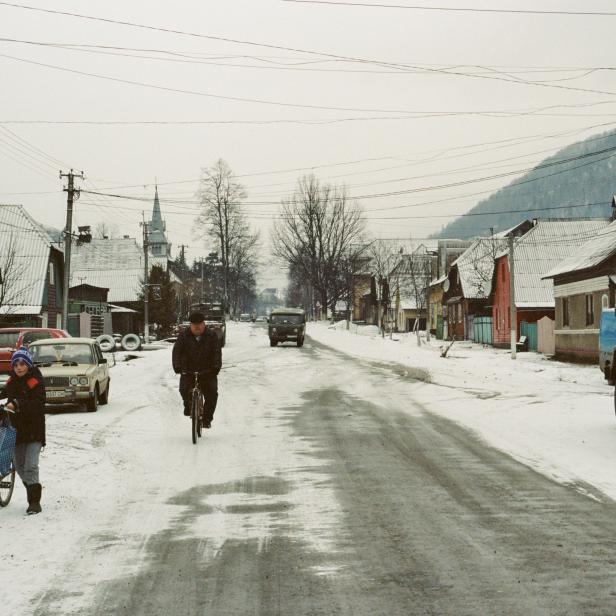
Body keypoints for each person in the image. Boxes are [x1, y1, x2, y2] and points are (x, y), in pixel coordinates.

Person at [3, 346, 45, 514]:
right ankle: (33, 488)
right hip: (16, 430)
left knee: (31, 466)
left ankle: (34, 502)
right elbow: (5, 394)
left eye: (22, 363)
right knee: (20, 467)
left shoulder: (36, 380)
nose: (19, 367)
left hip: (34, 430)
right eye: (15, 364)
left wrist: (18, 404)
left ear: (28, 364)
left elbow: (38, 403)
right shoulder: (11, 381)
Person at [172, 311, 222, 428]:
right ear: (190, 325)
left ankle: (206, 420)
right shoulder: (183, 336)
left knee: (212, 394)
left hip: (207, 371)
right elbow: (176, 352)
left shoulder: (212, 336)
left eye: (200, 324)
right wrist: (178, 367)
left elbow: (217, 353)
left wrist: (215, 368)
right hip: (188, 370)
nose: (197, 327)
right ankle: (189, 406)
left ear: (204, 324)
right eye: (194, 325)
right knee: (184, 389)